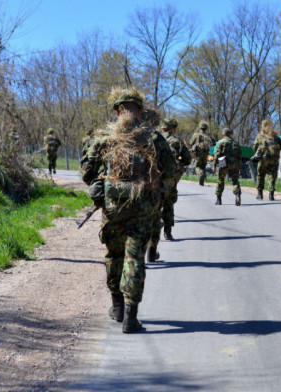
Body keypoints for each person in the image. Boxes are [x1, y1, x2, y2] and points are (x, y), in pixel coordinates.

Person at [81, 87, 176, 334]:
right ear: (140, 111)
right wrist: (160, 189)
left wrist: (100, 182)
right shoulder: (154, 137)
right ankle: (131, 319)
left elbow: (87, 172)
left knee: (114, 255)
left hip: (113, 207)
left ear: (117, 111)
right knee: (134, 258)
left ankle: (117, 307)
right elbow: (171, 170)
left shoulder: (105, 138)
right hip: (142, 207)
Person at [142, 109, 178, 263]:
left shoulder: (127, 135)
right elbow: (170, 167)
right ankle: (152, 250)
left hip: (127, 185)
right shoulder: (157, 138)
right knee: (155, 218)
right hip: (152, 185)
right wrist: (167, 184)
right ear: (154, 122)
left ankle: (132, 253)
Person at [161, 118, 192, 240]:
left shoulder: (153, 138)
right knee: (168, 202)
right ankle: (167, 232)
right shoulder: (177, 141)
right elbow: (188, 160)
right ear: (173, 129)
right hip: (169, 177)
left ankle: (151, 238)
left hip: (154, 175)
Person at [252, 119, 281, 201]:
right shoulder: (274, 136)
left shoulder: (260, 136)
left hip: (263, 159)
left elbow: (254, 147)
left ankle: (260, 194)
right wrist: (276, 150)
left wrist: (258, 152)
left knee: (260, 175)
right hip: (273, 160)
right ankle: (271, 195)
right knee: (272, 176)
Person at [214, 127, 242, 206]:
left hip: (223, 162)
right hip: (234, 163)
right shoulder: (235, 143)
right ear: (230, 134)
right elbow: (239, 156)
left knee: (220, 180)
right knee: (235, 180)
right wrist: (239, 166)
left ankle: (218, 200)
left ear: (223, 134)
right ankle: (237, 196)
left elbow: (217, 155)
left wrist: (214, 164)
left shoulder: (221, 142)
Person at [190, 120, 215, 186]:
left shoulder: (196, 134)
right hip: (206, 153)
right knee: (203, 166)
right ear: (205, 128)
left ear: (200, 127)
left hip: (198, 153)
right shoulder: (208, 136)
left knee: (197, 166)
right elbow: (214, 142)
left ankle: (200, 174)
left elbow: (191, 142)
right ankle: (202, 181)